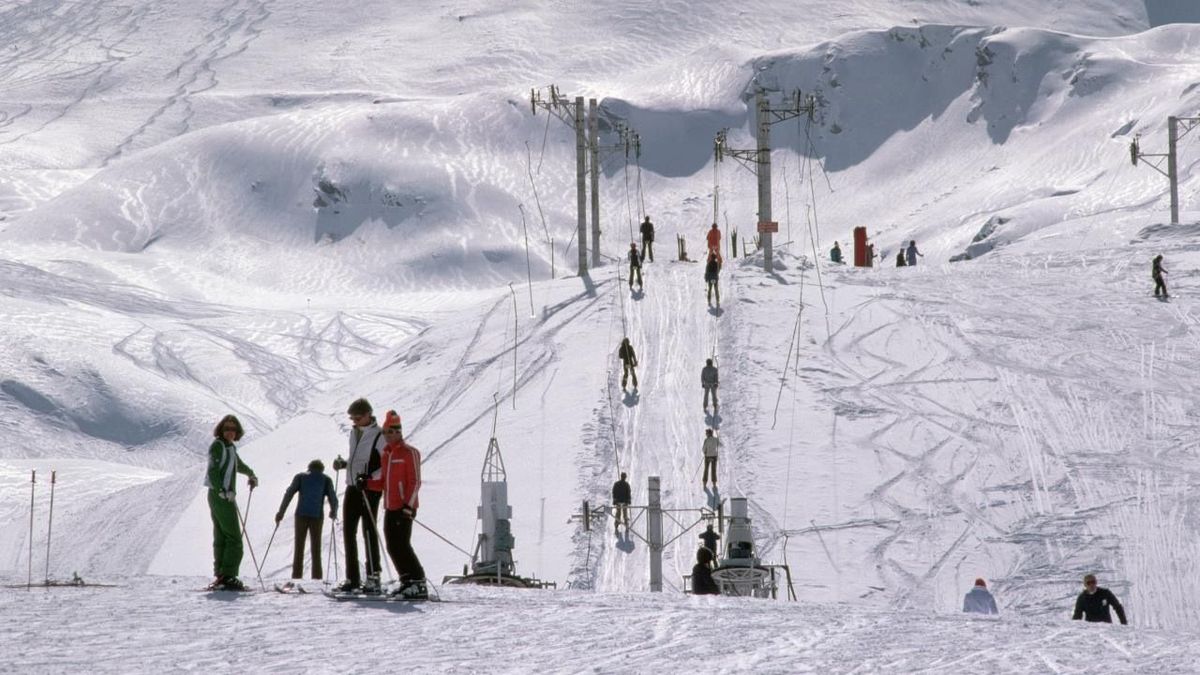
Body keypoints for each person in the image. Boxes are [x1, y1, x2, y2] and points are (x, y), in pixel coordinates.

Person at [331, 398, 383, 593]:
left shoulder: (379, 435)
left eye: (358, 418)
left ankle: (373, 576)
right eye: (352, 418)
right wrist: (344, 464)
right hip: (352, 486)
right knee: (348, 531)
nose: (354, 421)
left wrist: (369, 478)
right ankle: (352, 578)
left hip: (369, 488)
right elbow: (357, 459)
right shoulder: (354, 433)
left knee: (368, 530)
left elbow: (383, 464)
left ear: (368, 415)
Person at [376, 410, 427, 599]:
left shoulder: (409, 453)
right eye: (384, 432)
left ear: (398, 431)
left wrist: (408, 505)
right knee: (392, 545)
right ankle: (406, 580)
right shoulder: (387, 454)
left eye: (390, 432)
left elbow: (415, 481)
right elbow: (383, 482)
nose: (387, 436)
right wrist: (366, 483)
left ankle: (418, 582)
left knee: (403, 545)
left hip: (404, 508)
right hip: (390, 507)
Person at [204, 414, 258, 591]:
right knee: (234, 538)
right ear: (221, 429)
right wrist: (222, 491)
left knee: (222, 536)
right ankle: (228, 575)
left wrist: (251, 474)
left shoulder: (230, 448)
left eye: (233, 429)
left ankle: (221, 575)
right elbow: (213, 470)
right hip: (221, 496)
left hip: (221, 495)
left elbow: (238, 465)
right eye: (227, 429)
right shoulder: (218, 446)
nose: (230, 432)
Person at [275, 459, 338, 580]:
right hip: (317, 517)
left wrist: (280, 513)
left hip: (301, 515)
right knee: (316, 549)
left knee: (299, 547)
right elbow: (333, 498)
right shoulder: (326, 479)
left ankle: (296, 577)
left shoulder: (300, 477)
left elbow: (289, 494)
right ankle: (317, 579)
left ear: (309, 467)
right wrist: (333, 511)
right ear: (322, 469)